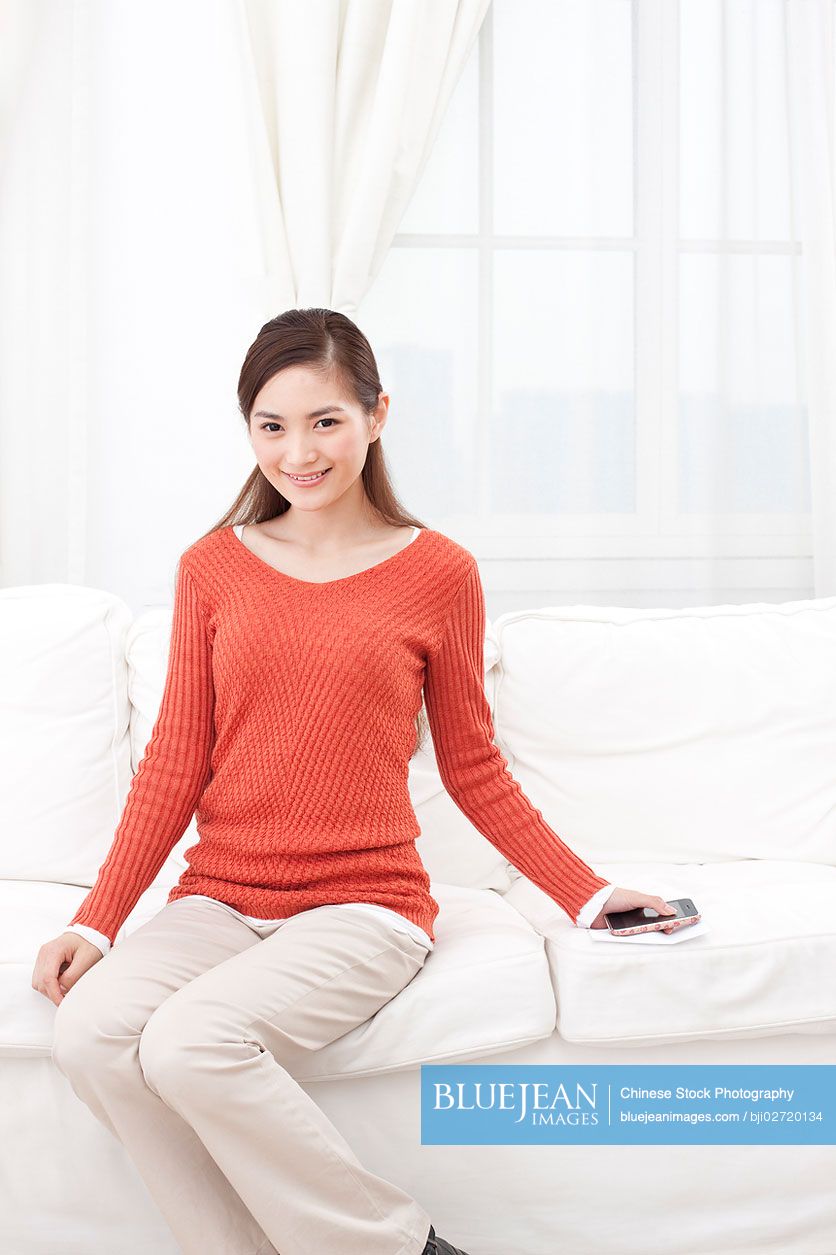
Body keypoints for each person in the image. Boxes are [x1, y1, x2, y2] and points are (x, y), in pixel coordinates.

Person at [32, 308, 681, 1255]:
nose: (299, 451)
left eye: (325, 420)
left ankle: (400, 1245)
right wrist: (96, 920)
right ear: (249, 430)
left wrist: (586, 894)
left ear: (378, 416)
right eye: (272, 425)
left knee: (188, 1043)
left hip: (364, 906)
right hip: (220, 897)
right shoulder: (212, 568)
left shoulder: (440, 573)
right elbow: (175, 761)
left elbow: (472, 765)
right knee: (89, 1034)